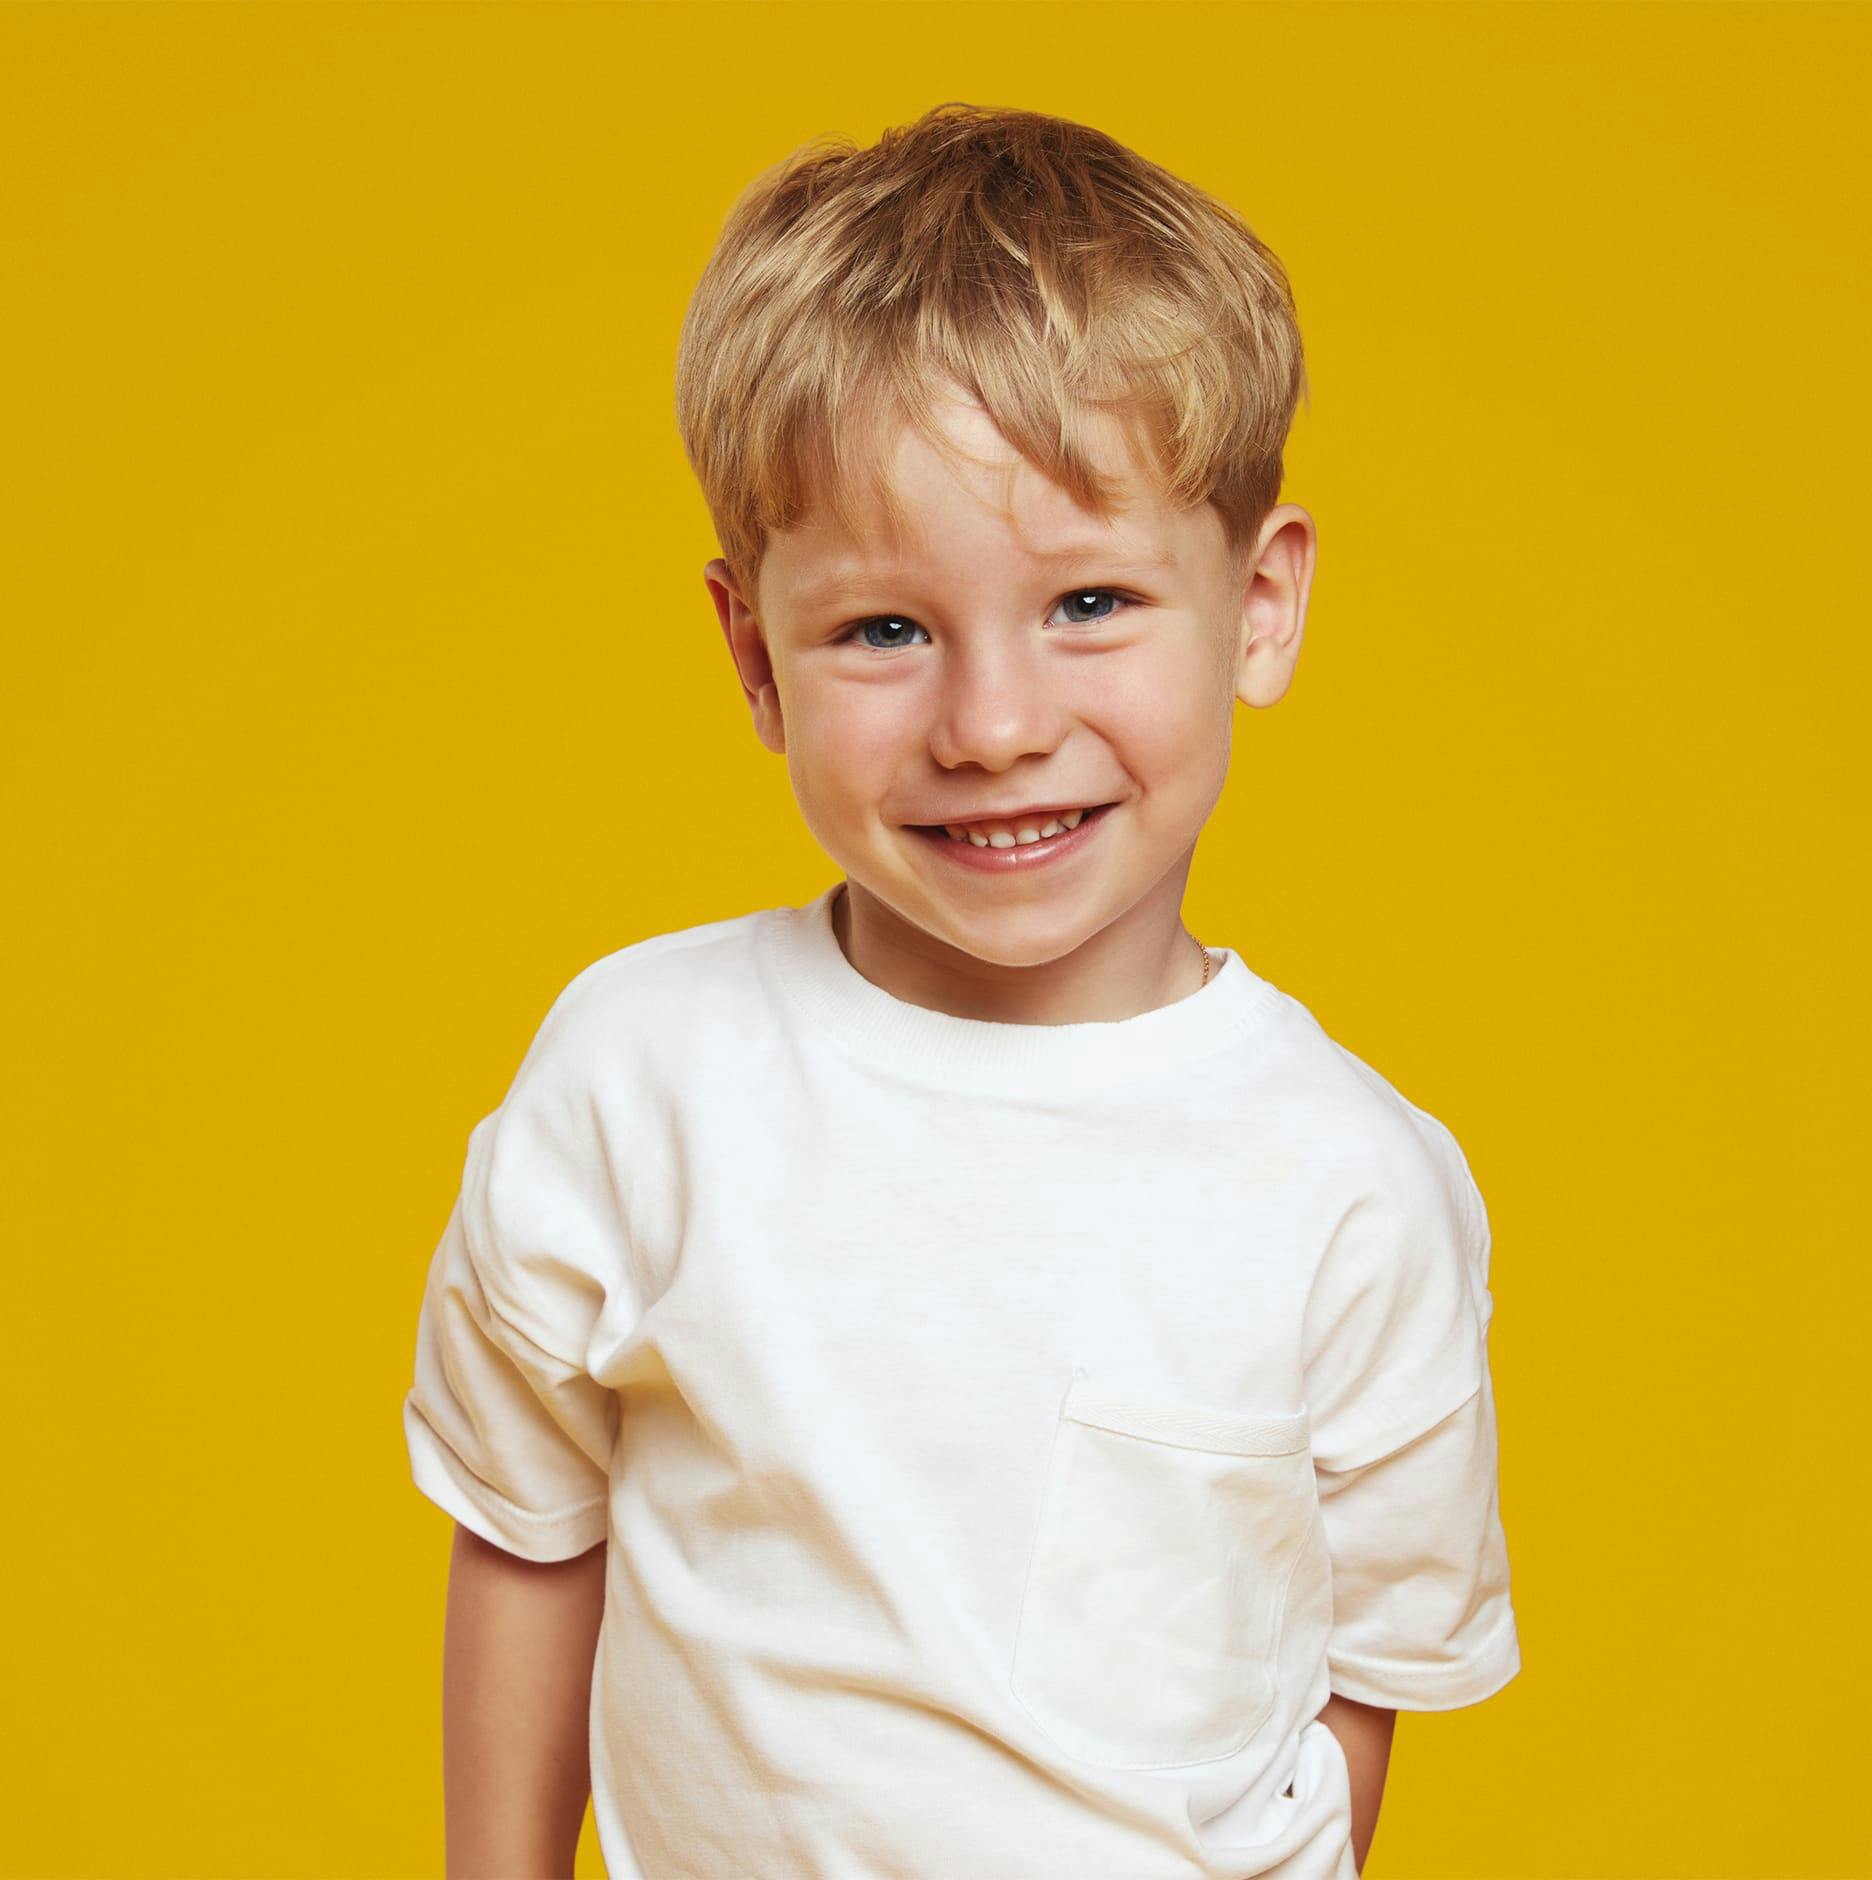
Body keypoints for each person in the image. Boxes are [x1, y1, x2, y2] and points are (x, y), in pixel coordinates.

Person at [402, 101, 1521, 1880]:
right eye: (885, 630)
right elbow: (532, 1530)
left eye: (1090, 602)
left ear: (1260, 605)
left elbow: (1362, 1676)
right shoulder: (640, 1080)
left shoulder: (1353, 1188)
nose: (992, 725)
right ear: (754, 656)